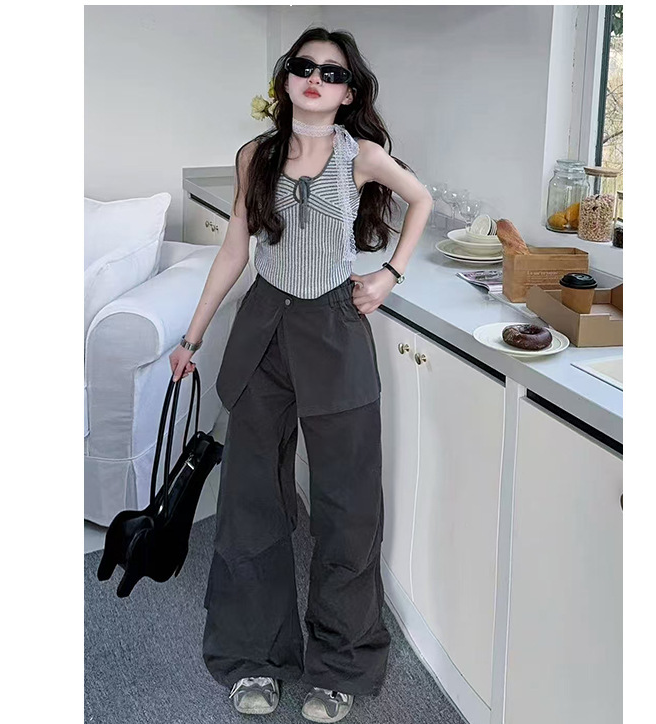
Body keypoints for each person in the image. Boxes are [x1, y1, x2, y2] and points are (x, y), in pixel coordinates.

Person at [169, 26, 432, 723]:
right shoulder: (255, 156)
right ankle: (253, 657)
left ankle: (338, 666)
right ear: (286, 79)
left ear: (348, 93)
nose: (317, 78)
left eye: (333, 72)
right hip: (264, 329)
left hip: (335, 332)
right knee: (251, 496)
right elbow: (235, 248)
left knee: (348, 506)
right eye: (304, 66)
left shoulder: (361, 155)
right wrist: (193, 335)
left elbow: (422, 201)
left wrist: (390, 274)